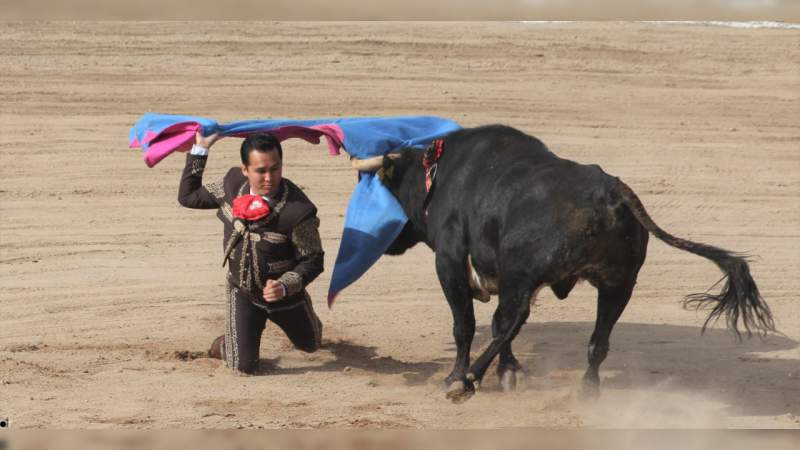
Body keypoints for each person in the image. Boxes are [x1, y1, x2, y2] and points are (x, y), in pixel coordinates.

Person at [178, 131, 324, 374]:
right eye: (260, 171)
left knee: (311, 345)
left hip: (285, 299)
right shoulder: (231, 185)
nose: (269, 178)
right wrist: (201, 149)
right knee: (243, 366)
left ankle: (305, 324)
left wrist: (286, 285)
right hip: (243, 292)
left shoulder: (298, 211)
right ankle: (228, 343)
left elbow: (313, 259)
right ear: (245, 169)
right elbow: (189, 196)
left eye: (275, 169)